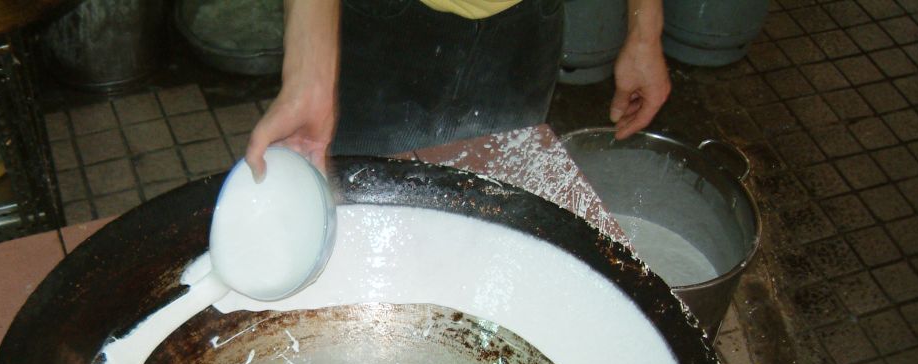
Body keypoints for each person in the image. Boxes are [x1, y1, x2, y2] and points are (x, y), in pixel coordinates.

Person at [246, 0, 671, 179]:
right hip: (382, 25)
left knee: (490, 220)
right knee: (357, 214)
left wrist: (645, 28)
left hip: (527, 27)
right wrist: (309, 74)